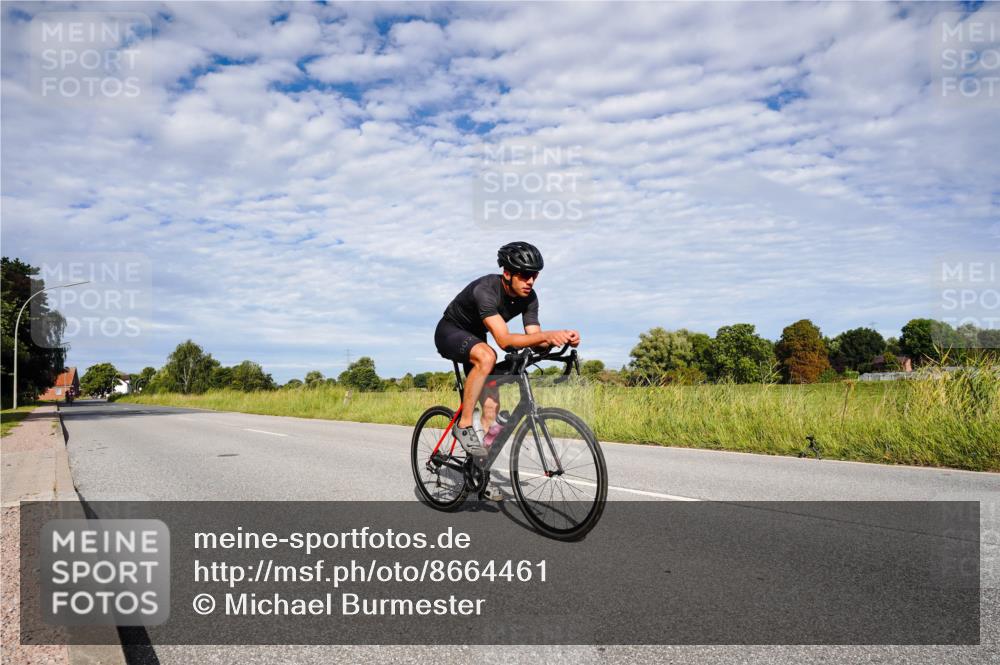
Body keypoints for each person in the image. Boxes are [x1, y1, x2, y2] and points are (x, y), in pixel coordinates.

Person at [434, 241, 580, 500]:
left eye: (535, 275)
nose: (531, 281)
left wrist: (561, 338)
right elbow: (503, 340)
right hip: (450, 331)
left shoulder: (529, 298)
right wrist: (548, 335)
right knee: (488, 355)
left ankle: (478, 471)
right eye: (525, 274)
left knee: (491, 405)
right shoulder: (485, 290)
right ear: (508, 273)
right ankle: (464, 423)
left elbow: (534, 337)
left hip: (477, 338)